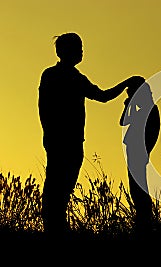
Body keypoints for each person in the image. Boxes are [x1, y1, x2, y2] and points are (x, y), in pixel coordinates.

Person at [38, 32, 135, 237]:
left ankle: (54, 228)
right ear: (67, 51)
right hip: (66, 142)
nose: (82, 52)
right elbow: (103, 96)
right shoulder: (69, 78)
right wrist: (127, 82)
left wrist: (49, 134)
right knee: (59, 188)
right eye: (79, 48)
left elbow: (44, 108)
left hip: (60, 140)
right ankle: (54, 230)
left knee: (57, 188)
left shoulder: (58, 76)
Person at [119, 76, 160, 234]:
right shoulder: (142, 111)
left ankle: (145, 223)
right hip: (134, 151)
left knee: (139, 188)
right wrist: (128, 106)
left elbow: (151, 134)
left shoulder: (150, 110)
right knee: (135, 188)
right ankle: (143, 221)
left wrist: (145, 151)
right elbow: (123, 122)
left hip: (139, 153)